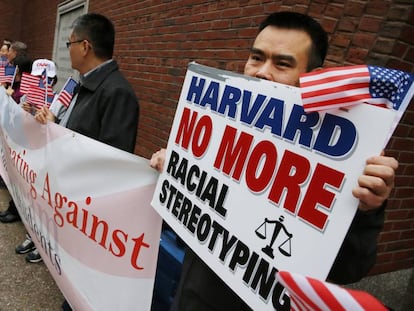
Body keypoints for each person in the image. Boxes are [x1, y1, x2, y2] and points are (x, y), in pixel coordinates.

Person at [150, 11, 399, 311]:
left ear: (312, 77)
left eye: (282, 63)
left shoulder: (343, 163)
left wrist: (367, 209)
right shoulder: (217, 125)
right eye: (256, 58)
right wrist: (175, 171)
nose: (261, 71)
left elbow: (347, 270)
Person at [34, 13, 139, 310]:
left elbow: (113, 164)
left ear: (85, 46)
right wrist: (50, 122)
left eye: (69, 44)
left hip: (89, 211)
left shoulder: (117, 93)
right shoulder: (81, 85)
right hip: (73, 200)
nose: (67, 49)